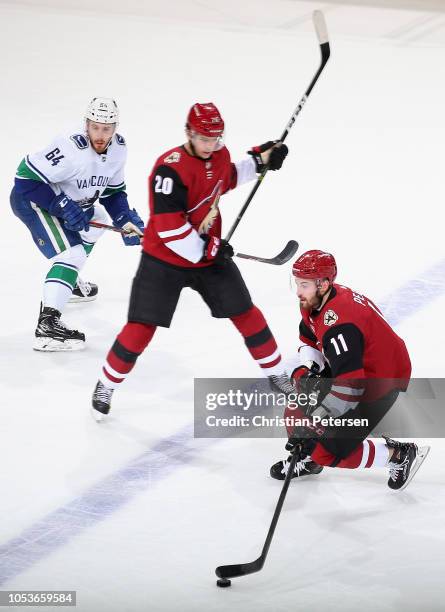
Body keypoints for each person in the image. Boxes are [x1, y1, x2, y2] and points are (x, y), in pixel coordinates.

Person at [91, 101, 291, 420]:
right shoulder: (168, 169)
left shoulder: (218, 155)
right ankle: (106, 384)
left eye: (216, 139)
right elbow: (170, 229)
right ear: (188, 133)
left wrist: (262, 159)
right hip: (164, 259)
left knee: (246, 314)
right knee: (141, 328)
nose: (210, 145)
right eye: (203, 138)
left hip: (207, 254)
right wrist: (208, 251)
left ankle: (279, 375)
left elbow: (227, 176)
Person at [270, 249, 430, 491]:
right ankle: (311, 458)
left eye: (304, 284)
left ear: (323, 284)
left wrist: (316, 420)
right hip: (356, 368)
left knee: (324, 449)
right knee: (296, 409)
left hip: (379, 380)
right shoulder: (320, 299)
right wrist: (307, 365)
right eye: (297, 283)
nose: (298, 292)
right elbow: (309, 336)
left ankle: (399, 454)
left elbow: (350, 387)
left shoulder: (340, 325)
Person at [10, 97, 144, 351]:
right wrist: (59, 204)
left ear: (115, 127)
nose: (100, 134)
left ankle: (67, 282)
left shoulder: (119, 149)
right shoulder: (71, 147)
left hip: (72, 204)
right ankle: (47, 327)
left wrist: (124, 218)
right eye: (95, 127)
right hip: (33, 202)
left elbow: (113, 193)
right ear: (86, 124)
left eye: (106, 128)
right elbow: (24, 179)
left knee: (98, 221)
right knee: (72, 253)